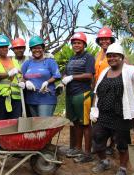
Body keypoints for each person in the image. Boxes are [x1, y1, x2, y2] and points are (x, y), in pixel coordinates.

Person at [90, 43, 134, 175]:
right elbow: (96, 91)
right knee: (96, 138)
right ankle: (104, 162)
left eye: (115, 56)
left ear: (122, 57)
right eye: (109, 56)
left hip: (121, 115)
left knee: (122, 144)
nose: (112, 58)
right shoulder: (105, 72)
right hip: (103, 114)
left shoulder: (128, 70)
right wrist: (93, 109)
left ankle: (123, 168)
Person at [61, 32, 95, 163]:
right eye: (74, 43)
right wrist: (64, 79)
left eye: (79, 43)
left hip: (82, 94)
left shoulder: (88, 57)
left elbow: (89, 75)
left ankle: (87, 153)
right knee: (75, 122)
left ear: (84, 44)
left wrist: (72, 77)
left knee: (85, 124)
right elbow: (66, 73)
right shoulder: (71, 58)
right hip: (71, 94)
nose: (76, 45)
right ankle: (77, 148)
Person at [19, 36, 61, 117]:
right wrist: (25, 82)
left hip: (46, 98)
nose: (36, 50)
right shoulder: (27, 63)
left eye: (39, 48)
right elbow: (22, 77)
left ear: (43, 48)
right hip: (31, 99)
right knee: (36, 125)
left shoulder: (50, 62)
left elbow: (57, 76)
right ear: (31, 50)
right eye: (33, 48)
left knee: (43, 124)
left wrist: (47, 82)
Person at [94, 26, 116, 155]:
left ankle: (112, 145)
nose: (104, 41)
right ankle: (102, 145)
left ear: (111, 40)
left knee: (113, 119)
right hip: (100, 91)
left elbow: (126, 66)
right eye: (101, 39)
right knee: (102, 119)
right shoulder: (99, 54)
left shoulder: (116, 51)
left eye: (106, 39)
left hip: (113, 90)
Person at [0, 35, 22, 120]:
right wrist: (9, 73)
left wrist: (23, 81)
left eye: (5, 47)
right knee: (1, 121)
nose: (4, 49)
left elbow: (20, 75)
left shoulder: (15, 61)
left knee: (15, 121)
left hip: (16, 97)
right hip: (0, 97)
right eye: (1, 47)